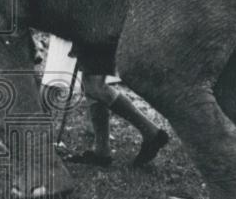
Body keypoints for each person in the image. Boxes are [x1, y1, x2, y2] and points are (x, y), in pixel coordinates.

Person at [59, 39, 169, 168]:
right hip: (96, 30)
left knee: (95, 86)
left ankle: (152, 132)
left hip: (100, 30)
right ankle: (102, 152)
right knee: (90, 84)